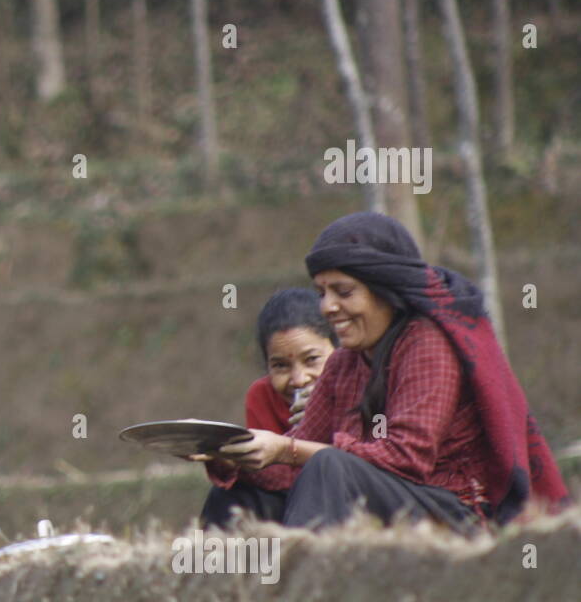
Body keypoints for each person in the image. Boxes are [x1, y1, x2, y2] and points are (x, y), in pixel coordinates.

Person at [199, 212, 571, 532]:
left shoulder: (427, 344)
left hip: (452, 514)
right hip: (383, 498)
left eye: (343, 292)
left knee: (330, 465)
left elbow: (406, 460)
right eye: (322, 292)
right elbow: (293, 464)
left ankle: (308, 597)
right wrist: (232, 458)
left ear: (384, 290)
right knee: (239, 496)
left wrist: (288, 448)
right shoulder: (344, 362)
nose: (327, 307)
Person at [243, 288, 337, 434]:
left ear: (340, 352)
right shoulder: (263, 397)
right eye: (281, 365)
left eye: (311, 359)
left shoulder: (362, 390)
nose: (299, 380)